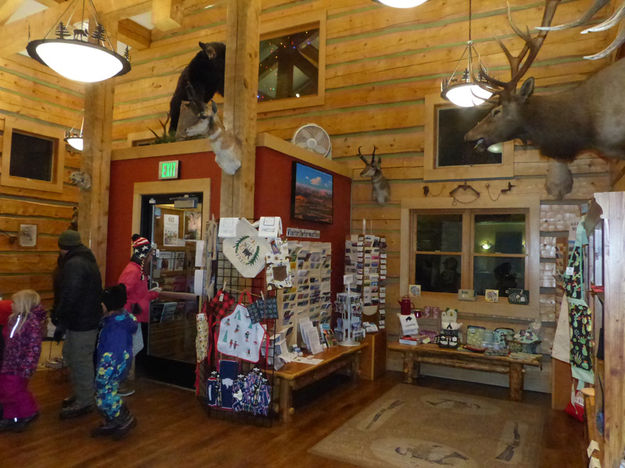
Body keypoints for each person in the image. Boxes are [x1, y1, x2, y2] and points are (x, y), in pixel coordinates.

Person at [52, 229, 102, 419]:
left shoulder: (75, 264)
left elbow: (70, 295)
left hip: (82, 320)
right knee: (72, 356)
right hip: (83, 319)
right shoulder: (84, 259)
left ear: (63, 247)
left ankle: (85, 399)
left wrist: (60, 319)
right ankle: (82, 393)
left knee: (80, 359)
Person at [92, 284, 137, 439]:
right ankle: (113, 419)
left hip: (111, 365)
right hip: (115, 364)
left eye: (101, 304)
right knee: (106, 392)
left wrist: (105, 369)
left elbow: (113, 351)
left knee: (105, 394)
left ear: (108, 306)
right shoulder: (116, 321)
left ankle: (123, 418)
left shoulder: (115, 328)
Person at [117, 234, 160, 395]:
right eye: (149, 255)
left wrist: (150, 294)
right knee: (127, 350)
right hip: (129, 319)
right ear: (143, 255)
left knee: (132, 349)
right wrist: (149, 296)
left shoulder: (139, 271)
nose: (151, 259)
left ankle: (122, 380)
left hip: (134, 317)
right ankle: (120, 382)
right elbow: (122, 296)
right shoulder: (133, 271)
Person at [0, 290, 47, 432]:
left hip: (20, 366)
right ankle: (12, 417)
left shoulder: (31, 323)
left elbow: (33, 347)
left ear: (23, 305)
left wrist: (28, 365)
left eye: (14, 302)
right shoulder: (15, 319)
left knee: (15, 390)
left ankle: (29, 411)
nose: (11, 305)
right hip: (10, 362)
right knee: (5, 389)